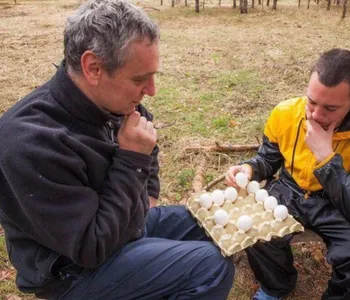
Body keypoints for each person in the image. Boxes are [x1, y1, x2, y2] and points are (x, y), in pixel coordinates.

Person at [0, 1, 234, 299]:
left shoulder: (112, 101)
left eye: (153, 76)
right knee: (211, 268)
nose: (151, 90)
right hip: (72, 270)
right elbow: (90, 247)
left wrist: (147, 194)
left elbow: (146, 135)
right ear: (93, 67)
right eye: (139, 79)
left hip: (122, 224)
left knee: (212, 224)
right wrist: (133, 161)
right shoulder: (29, 142)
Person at [226, 48, 350, 300]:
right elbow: (268, 159)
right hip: (291, 189)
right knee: (249, 222)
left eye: (330, 108)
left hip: (339, 202)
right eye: (312, 102)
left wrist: (326, 158)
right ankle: (277, 286)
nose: (316, 116)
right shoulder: (285, 113)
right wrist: (250, 168)